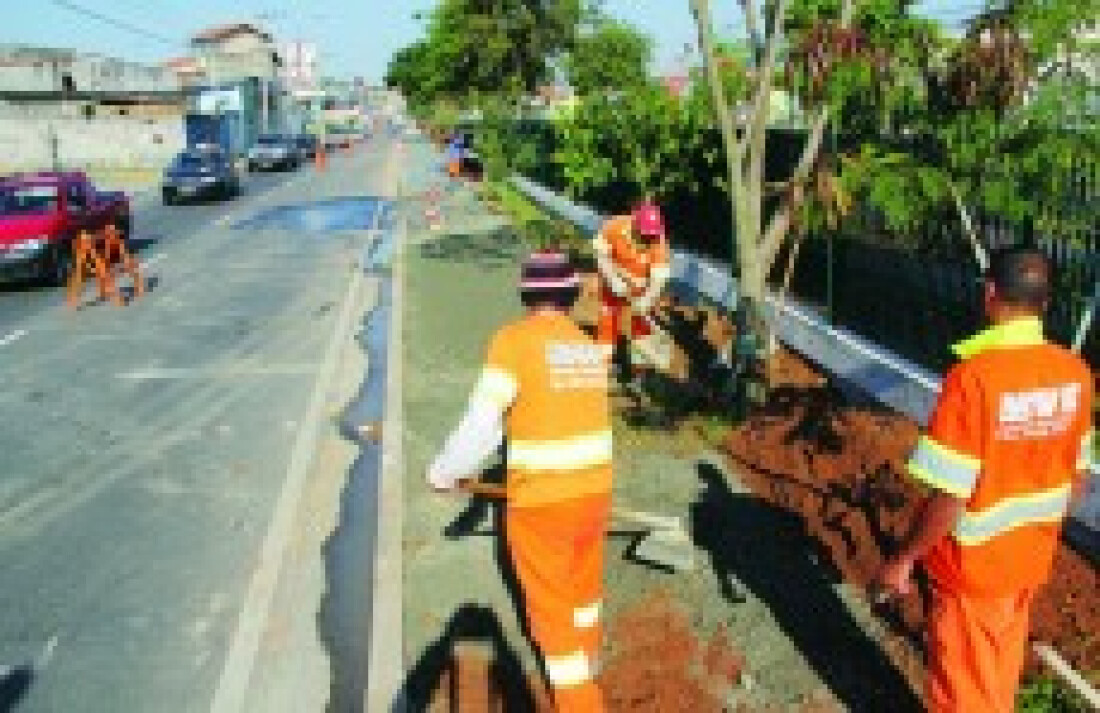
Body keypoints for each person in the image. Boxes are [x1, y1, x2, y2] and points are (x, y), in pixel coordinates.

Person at [875, 246, 1093, 713]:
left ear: (990, 294)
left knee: (963, 695)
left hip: (972, 573)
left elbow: (951, 495)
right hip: (1029, 562)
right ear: (1046, 303)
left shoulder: (974, 379)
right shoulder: (1076, 375)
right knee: (996, 681)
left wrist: (904, 559)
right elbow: (1080, 478)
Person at [428, 250, 612, 712]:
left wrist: (446, 471)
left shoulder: (513, 341)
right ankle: (588, 658)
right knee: (582, 588)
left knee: (549, 607)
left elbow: (482, 425)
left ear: (526, 293)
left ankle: (579, 701)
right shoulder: (586, 347)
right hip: (594, 493)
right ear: (571, 295)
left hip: (543, 501)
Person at [594, 200, 672, 379]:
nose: (648, 240)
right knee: (608, 322)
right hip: (612, 281)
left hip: (642, 290)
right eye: (644, 235)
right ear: (634, 226)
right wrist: (612, 278)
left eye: (651, 236)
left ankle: (640, 375)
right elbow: (600, 254)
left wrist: (647, 300)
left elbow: (658, 279)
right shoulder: (614, 226)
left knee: (642, 329)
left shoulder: (659, 244)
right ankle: (602, 369)